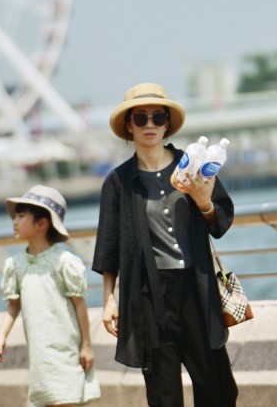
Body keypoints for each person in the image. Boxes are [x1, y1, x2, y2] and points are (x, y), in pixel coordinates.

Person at [92, 83, 238, 406]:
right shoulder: (117, 182)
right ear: (129, 125)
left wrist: (203, 202)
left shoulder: (195, 165)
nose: (150, 125)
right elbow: (108, 246)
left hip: (197, 289)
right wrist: (108, 300)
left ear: (167, 124)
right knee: (164, 396)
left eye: (158, 118)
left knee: (218, 389)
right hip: (148, 296)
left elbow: (221, 221)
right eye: (140, 118)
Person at [0, 184, 101, 407]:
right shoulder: (16, 264)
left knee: (65, 398)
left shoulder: (64, 262)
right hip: (40, 354)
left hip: (65, 349)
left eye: (21, 216)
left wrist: (86, 346)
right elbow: (14, 304)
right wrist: (2, 335)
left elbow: (79, 304)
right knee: (47, 398)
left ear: (42, 223)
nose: (14, 221)